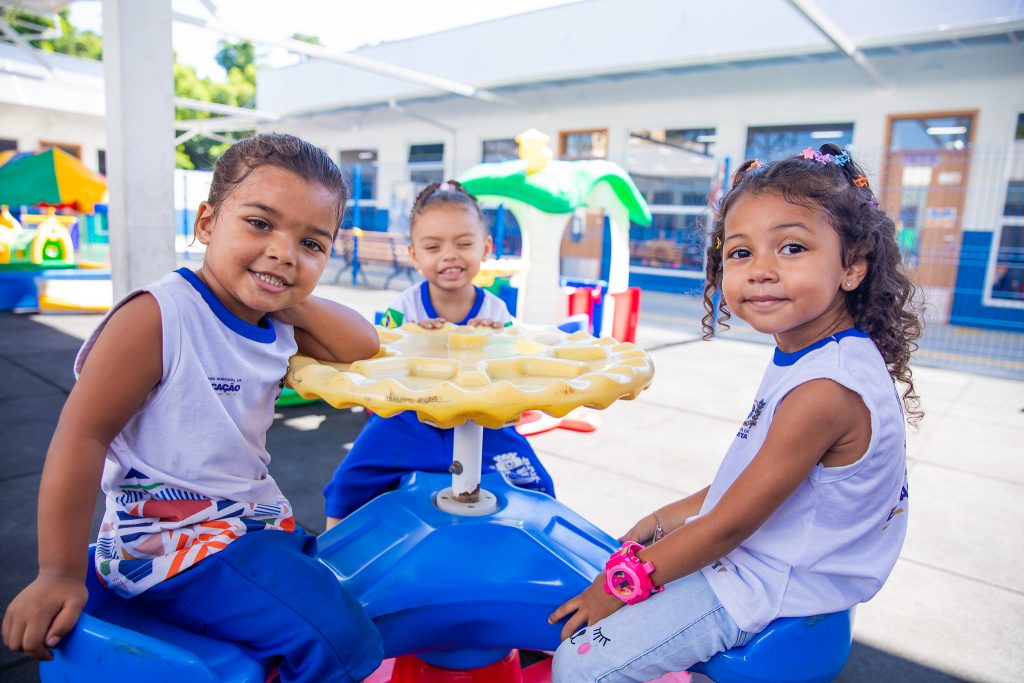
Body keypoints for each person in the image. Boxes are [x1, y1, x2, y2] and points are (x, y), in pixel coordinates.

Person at [2, 133, 385, 682]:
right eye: (260, 223)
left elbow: (361, 343)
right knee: (342, 638)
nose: (283, 249)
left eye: (312, 243)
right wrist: (58, 573)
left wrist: (290, 291)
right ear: (206, 223)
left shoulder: (274, 321)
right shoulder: (159, 318)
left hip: (243, 527)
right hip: (168, 546)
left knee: (344, 584)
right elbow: (81, 436)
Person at [548, 144, 923, 682]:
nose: (761, 270)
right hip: (776, 559)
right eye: (741, 253)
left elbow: (729, 525)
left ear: (853, 266)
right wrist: (662, 521)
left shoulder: (823, 389)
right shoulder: (819, 352)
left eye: (792, 247)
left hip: (771, 580)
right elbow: (757, 483)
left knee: (584, 663)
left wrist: (616, 587)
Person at [322, 180, 555, 527]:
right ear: (415, 255)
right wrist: (411, 338)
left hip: (481, 423)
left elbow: (514, 371)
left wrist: (496, 340)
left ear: (486, 248)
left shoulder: (494, 311)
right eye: (433, 246)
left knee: (538, 484)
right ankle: (331, 553)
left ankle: (537, 549)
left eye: (464, 243)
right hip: (409, 421)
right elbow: (380, 357)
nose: (450, 255)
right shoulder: (406, 307)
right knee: (347, 482)